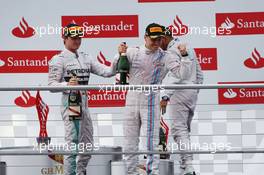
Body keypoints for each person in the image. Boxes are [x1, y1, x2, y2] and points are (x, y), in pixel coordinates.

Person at [118, 23, 193, 175]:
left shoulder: (166, 56)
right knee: (129, 144)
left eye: (159, 39)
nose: (156, 42)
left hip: (151, 101)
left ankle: (153, 173)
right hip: (131, 100)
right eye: (153, 39)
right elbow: (114, 71)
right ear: (145, 37)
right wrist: (120, 54)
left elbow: (183, 74)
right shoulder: (132, 52)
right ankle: (131, 173)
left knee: (151, 143)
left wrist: (185, 56)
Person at [48, 23, 117, 175]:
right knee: (72, 143)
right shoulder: (58, 59)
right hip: (71, 104)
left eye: (79, 38)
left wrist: (118, 58)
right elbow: (51, 85)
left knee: (87, 145)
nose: (77, 41)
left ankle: (80, 172)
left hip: (84, 105)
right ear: (64, 39)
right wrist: (67, 84)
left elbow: (107, 72)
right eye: (73, 38)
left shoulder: (86, 57)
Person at [160, 26, 204, 175]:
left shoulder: (171, 52)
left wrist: (166, 95)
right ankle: (185, 167)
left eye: (160, 41)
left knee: (179, 131)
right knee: (185, 131)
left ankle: (188, 167)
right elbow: (199, 73)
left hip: (179, 92)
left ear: (165, 39)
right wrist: (195, 90)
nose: (159, 45)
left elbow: (176, 76)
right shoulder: (188, 46)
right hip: (191, 93)